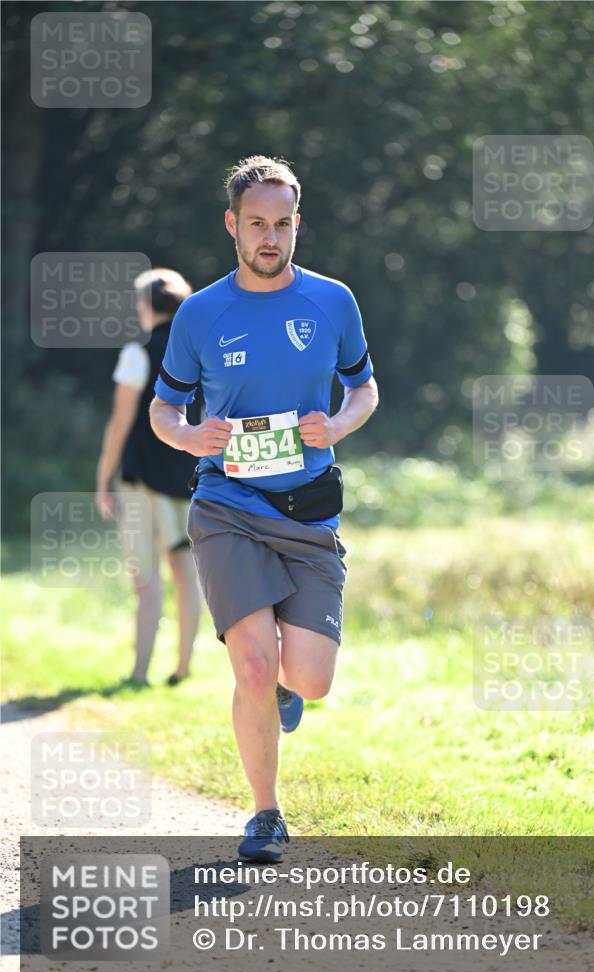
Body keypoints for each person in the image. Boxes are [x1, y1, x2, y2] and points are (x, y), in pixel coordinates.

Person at [150, 155, 378, 860]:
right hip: (226, 505)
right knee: (251, 665)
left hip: (309, 512)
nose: (269, 236)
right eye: (256, 224)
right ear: (233, 225)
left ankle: (284, 694)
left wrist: (336, 425)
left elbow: (364, 388)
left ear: (296, 224)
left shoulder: (333, 301)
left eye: (281, 224)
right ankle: (265, 815)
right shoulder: (201, 312)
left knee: (306, 677)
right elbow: (164, 407)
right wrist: (189, 436)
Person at [95, 268, 201, 687]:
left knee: (146, 577)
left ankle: (140, 672)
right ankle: (184, 666)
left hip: (141, 480)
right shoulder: (197, 351)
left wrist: (104, 477)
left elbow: (120, 423)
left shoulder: (137, 353)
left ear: (146, 306)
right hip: (187, 479)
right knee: (186, 571)